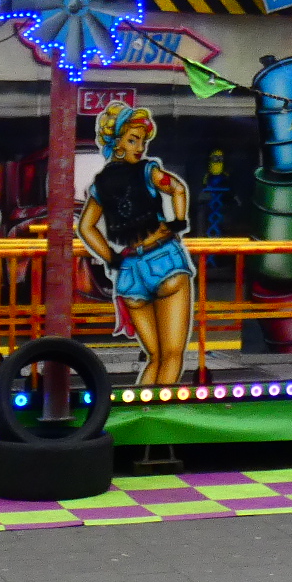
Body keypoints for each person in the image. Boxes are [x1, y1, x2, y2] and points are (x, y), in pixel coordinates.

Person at [76, 102, 193, 388]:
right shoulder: (148, 171)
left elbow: (86, 227)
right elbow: (177, 189)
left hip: (129, 272)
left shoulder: (100, 186)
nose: (140, 147)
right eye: (133, 140)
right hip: (164, 260)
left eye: (142, 141)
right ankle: (162, 410)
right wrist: (178, 223)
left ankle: (143, 406)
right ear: (117, 143)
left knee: (154, 357)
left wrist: (111, 258)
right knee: (172, 355)